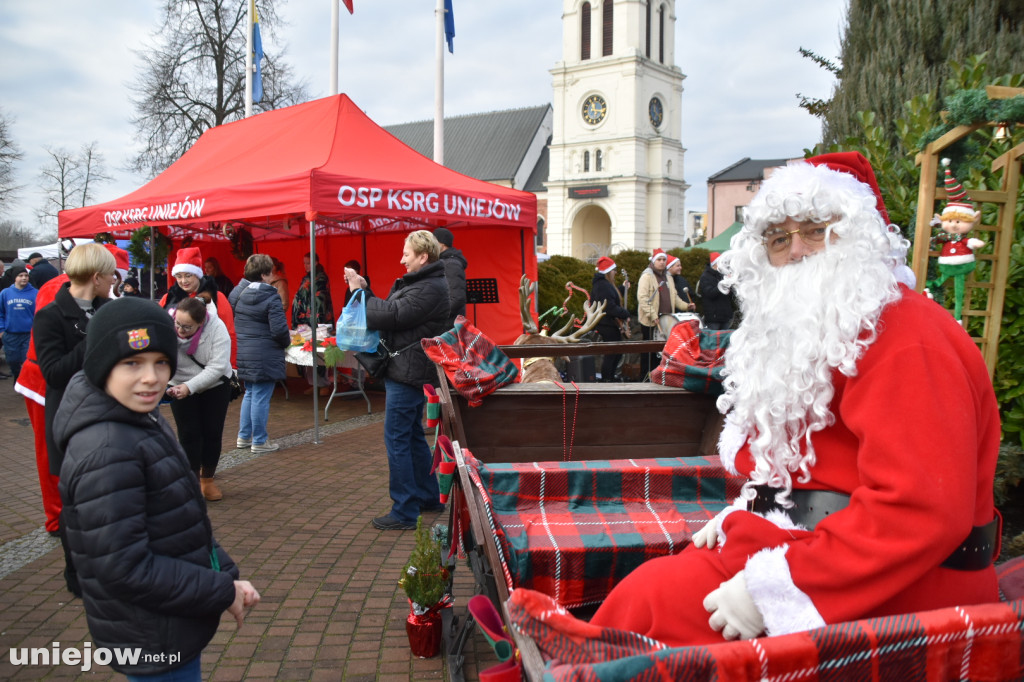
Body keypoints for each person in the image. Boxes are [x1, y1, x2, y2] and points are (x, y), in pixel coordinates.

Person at [586, 152, 1000, 646]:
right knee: (641, 600)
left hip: (887, 589)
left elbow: (921, 511)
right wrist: (751, 507)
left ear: (860, 236)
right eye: (779, 239)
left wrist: (780, 588)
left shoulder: (908, 338)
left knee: (647, 613)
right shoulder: (828, 332)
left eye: (816, 230)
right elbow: (819, 467)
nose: (797, 251)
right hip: (808, 547)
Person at [54, 296, 259, 680]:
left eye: (161, 362)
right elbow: (125, 566)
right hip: (152, 633)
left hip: (166, 621)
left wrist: (225, 574)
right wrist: (220, 590)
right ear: (102, 365)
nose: (151, 377)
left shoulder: (137, 415)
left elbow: (179, 519)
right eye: (132, 363)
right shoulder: (109, 448)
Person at [344, 230, 448, 530]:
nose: (402, 259)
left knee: (397, 438)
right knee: (411, 435)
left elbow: (392, 315)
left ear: (423, 257)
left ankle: (404, 510)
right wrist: (366, 290)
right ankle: (428, 496)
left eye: (406, 254)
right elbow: (393, 311)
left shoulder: (429, 287)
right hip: (409, 369)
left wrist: (360, 292)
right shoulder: (424, 283)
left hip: (408, 372)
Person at [32, 243, 117, 595]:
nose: (114, 280)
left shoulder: (109, 309)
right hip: (72, 422)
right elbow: (54, 373)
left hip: (111, 417)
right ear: (96, 277)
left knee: (112, 497)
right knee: (77, 504)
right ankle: (77, 575)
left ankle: (110, 568)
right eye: (110, 274)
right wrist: (96, 335)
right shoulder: (50, 317)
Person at [15, 273, 70, 536]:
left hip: (67, 381)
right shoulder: (57, 287)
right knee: (51, 452)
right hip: (45, 382)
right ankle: (57, 516)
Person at [166, 297, 234, 501]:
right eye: (178, 323)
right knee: (188, 433)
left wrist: (190, 387)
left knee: (212, 431)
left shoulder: (217, 328)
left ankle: (207, 480)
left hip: (215, 384)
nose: (180, 329)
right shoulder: (166, 326)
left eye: (187, 327)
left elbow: (218, 366)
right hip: (178, 384)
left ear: (201, 323)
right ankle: (192, 482)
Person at [230, 254, 290, 455]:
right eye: (270, 272)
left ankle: (244, 436)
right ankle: (259, 440)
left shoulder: (236, 293)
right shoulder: (271, 296)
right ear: (265, 274)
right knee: (260, 397)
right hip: (265, 352)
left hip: (244, 350)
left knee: (250, 393)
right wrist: (286, 344)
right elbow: (279, 331)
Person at [161, 247, 237, 367]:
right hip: (177, 365)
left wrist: (231, 366)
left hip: (209, 364)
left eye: (188, 275)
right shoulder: (168, 298)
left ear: (197, 275)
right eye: (179, 276)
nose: (183, 281)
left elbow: (229, 333)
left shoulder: (217, 297)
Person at [636, 248, 688, 379]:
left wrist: (686, 306)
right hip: (650, 321)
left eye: (664, 259)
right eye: (659, 259)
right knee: (649, 353)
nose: (662, 262)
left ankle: (659, 377)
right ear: (653, 261)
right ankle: (645, 378)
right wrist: (653, 315)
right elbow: (642, 298)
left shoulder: (668, 277)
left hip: (665, 320)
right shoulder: (647, 276)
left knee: (663, 352)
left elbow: (674, 296)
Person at [589, 256, 630, 382]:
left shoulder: (603, 284)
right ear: (608, 271)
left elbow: (611, 297)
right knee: (612, 353)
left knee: (615, 352)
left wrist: (622, 289)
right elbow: (609, 307)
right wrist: (625, 314)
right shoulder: (603, 285)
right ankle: (607, 378)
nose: (615, 272)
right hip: (606, 324)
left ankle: (609, 377)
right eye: (614, 270)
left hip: (607, 322)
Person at [0, 264, 37, 379]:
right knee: (12, 360)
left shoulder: (35, 293)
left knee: (27, 361)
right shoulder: (5, 293)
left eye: (26, 275)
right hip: (10, 335)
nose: (24, 278)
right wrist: (1, 330)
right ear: (15, 278)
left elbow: (39, 314)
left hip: (28, 335)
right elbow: (1, 313)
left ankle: (24, 381)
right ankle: (17, 376)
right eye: (20, 275)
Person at [433, 227, 467, 329]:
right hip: (445, 323)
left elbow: (456, 298)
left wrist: (436, 316)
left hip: (447, 325)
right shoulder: (444, 262)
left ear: (442, 244)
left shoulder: (451, 264)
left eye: (433, 241)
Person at [291, 251, 334, 328]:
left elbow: (320, 300)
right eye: (304, 263)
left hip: (315, 318)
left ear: (315, 263)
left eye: (308, 263)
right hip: (303, 319)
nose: (305, 266)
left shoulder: (321, 278)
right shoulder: (306, 278)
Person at [696, 252, 735, 330]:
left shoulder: (722, 275)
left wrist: (730, 284)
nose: (723, 265)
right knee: (714, 337)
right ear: (715, 264)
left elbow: (729, 295)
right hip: (713, 317)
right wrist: (721, 286)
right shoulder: (705, 276)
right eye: (721, 263)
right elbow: (709, 293)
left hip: (725, 316)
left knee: (725, 337)